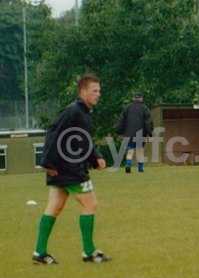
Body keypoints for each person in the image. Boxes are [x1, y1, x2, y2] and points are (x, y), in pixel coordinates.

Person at [32, 73, 111, 264]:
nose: (98, 94)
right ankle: (89, 252)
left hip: (63, 168)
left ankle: (39, 253)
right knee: (90, 204)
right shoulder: (73, 111)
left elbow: (82, 141)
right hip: (69, 168)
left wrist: (96, 157)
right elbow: (53, 133)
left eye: (99, 91)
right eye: (94, 91)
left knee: (55, 207)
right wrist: (46, 163)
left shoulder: (83, 113)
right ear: (83, 91)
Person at [116, 93, 153, 173]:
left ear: (133, 98)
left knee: (130, 150)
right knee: (140, 150)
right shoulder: (145, 108)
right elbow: (148, 122)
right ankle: (140, 168)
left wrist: (119, 131)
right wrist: (149, 133)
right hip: (140, 133)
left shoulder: (127, 108)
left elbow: (122, 120)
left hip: (129, 133)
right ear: (141, 99)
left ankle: (128, 164)